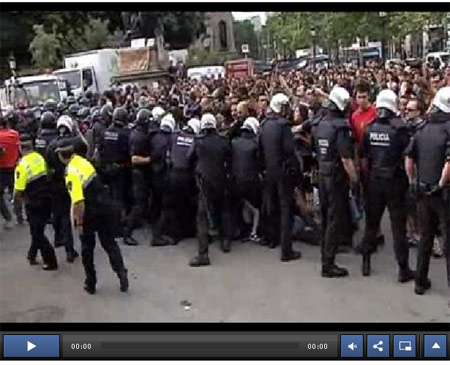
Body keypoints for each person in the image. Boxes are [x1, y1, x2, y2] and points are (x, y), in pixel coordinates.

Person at [55, 139, 129, 294]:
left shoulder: (70, 172)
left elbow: (78, 202)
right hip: (104, 208)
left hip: (89, 212)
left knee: (87, 250)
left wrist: (80, 223)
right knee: (109, 244)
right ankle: (121, 273)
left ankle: (91, 283)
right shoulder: (83, 162)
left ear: (61, 156)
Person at [359, 89, 415, 282]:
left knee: (371, 224)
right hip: (395, 181)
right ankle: (403, 269)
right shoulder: (400, 129)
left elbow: (364, 158)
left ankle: (365, 262)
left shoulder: (369, 128)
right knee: (398, 227)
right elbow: (408, 156)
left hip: (375, 180)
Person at [405, 86, 450, 298]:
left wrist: (414, 181)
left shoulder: (422, 128)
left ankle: (420, 282)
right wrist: (440, 183)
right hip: (443, 193)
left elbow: (409, 159)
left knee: (425, 238)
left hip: (423, 191)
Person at [311, 87, 358, 277]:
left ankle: (325, 253)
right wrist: (355, 180)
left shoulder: (320, 122)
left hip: (322, 173)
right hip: (336, 177)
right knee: (333, 219)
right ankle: (328, 263)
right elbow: (346, 158)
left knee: (324, 217)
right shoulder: (340, 126)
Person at [259, 93, 302, 262]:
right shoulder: (283, 125)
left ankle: (272, 239)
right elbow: (289, 151)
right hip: (283, 172)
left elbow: (260, 150)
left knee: (273, 206)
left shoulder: (264, 124)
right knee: (285, 210)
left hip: (269, 171)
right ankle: (286, 249)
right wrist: (296, 173)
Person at [189, 113, 232, 266]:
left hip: (204, 181)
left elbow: (189, 158)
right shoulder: (223, 141)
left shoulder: (198, 141)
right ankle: (225, 241)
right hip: (221, 179)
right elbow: (230, 158)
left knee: (202, 217)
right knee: (224, 210)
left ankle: (203, 254)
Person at [13, 133, 58, 270]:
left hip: (33, 203)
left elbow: (18, 191)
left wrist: (18, 203)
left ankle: (51, 261)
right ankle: (32, 255)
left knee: (37, 233)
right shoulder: (40, 158)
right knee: (37, 229)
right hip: (47, 200)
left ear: (21, 148)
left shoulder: (22, 166)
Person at [98, 107, 137, 245]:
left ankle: (115, 226)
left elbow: (100, 150)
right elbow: (129, 152)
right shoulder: (126, 133)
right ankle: (122, 227)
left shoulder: (105, 132)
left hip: (108, 168)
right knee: (121, 198)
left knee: (113, 197)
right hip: (122, 168)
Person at [45, 116, 81, 262]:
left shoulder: (52, 145)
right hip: (68, 183)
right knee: (66, 216)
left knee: (57, 213)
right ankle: (69, 249)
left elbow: (47, 165)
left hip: (54, 184)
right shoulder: (74, 143)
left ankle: (58, 238)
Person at [123, 108, 152, 245]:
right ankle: (127, 232)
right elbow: (134, 158)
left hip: (140, 173)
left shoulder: (137, 132)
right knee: (139, 205)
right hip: (139, 173)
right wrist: (150, 160)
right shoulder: (138, 137)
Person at [230, 116, 262, 242]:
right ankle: (254, 232)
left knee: (239, 204)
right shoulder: (255, 144)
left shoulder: (234, 143)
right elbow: (259, 162)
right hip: (251, 181)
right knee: (255, 207)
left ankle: (239, 229)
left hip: (236, 180)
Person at [149, 113, 177, 246]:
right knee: (167, 206)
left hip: (153, 174)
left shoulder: (154, 136)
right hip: (165, 175)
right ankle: (158, 235)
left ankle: (154, 226)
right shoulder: (171, 139)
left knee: (156, 202)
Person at [0, 115, 21, 228]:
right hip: (14, 166)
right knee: (16, 192)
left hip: (1, 169)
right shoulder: (15, 134)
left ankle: (8, 218)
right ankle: (19, 217)